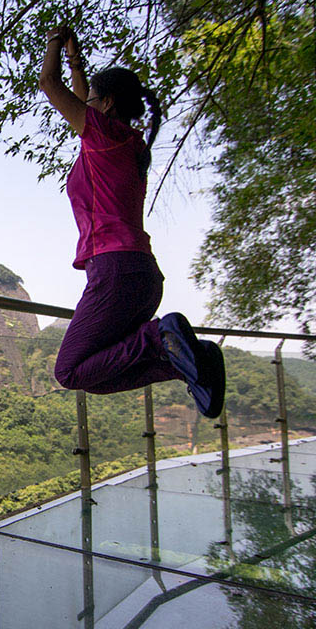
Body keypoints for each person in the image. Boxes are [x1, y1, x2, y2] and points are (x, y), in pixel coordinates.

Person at [38, 25, 225, 418]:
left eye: (90, 101)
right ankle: (187, 358)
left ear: (105, 105)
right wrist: (77, 59)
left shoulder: (106, 136)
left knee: (70, 370)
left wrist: (55, 39)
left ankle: (160, 338)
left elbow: (49, 84)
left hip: (117, 270)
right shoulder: (126, 141)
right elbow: (79, 96)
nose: (83, 106)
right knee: (95, 376)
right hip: (139, 275)